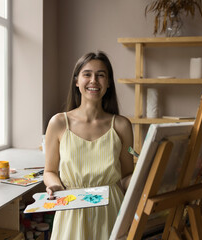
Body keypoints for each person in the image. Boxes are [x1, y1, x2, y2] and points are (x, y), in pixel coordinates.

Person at [44, 51, 134, 239]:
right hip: (72, 209)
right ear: (77, 80)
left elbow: (126, 175)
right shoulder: (58, 123)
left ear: (108, 83)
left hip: (111, 211)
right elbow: (49, 171)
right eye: (87, 74)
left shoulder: (121, 125)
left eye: (101, 75)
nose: (94, 80)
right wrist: (55, 186)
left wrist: (147, 179)